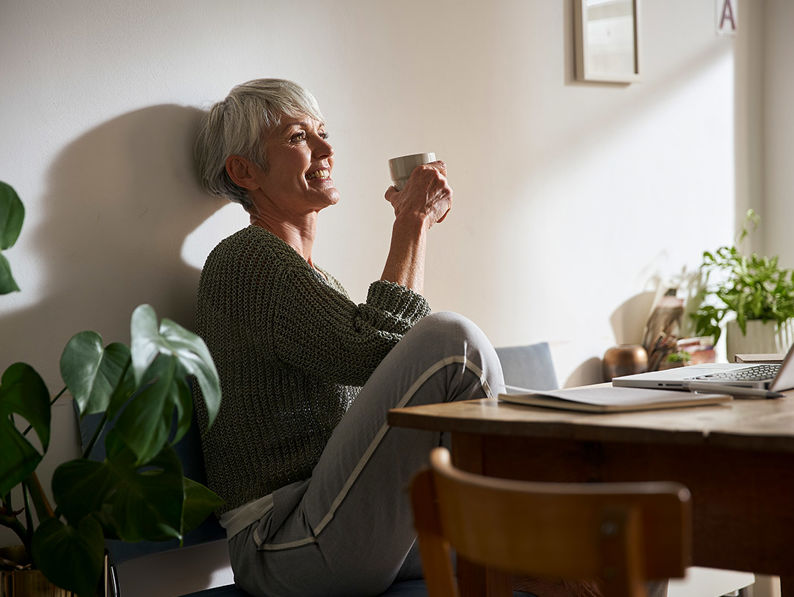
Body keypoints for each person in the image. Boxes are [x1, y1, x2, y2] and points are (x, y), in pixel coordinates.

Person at [192, 78, 504, 597]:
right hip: (284, 545)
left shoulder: (312, 279)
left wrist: (414, 221)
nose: (326, 149)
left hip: (343, 521)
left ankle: (530, 521)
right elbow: (377, 352)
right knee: (454, 339)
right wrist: (413, 220)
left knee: (613, 542)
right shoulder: (245, 260)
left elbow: (379, 354)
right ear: (244, 171)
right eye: (298, 137)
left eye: (323, 133)